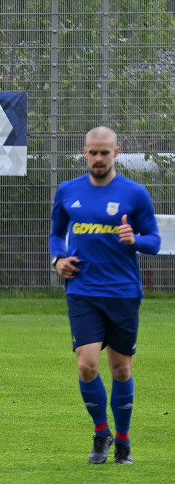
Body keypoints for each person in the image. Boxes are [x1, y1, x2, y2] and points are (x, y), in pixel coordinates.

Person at [50, 126, 160, 465]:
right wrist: (59, 259)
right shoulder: (68, 191)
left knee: (121, 370)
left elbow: (154, 242)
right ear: (85, 153)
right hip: (83, 291)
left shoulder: (135, 193)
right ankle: (101, 434)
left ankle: (123, 441)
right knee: (86, 366)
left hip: (123, 293)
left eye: (105, 152)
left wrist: (134, 240)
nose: (99, 158)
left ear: (116, 152)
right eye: (93, 152)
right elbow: (56, 234)